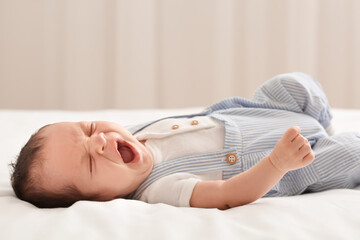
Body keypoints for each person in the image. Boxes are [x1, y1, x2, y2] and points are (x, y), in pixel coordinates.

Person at [10, 72, 360, 209]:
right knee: (346, 154)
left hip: (259, 114)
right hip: (286, 160)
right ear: (100, 199)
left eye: (87, 129)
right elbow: (226, 196)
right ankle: (327, 142)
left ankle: (323, 123)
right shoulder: (158, 189)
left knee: (293, 84)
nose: (100, 140)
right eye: (89, 162)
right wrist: (278, 163)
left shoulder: (134, 134)